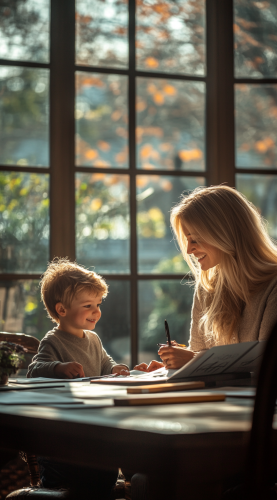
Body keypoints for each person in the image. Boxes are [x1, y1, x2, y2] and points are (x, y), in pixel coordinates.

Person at [136, 185, 277, 372]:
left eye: (194, 239)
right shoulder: (207, 288)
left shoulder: (273, 286)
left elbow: (269, 365)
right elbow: (198, 356)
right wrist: (172, 367)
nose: (188, 250)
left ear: (224, 234)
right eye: (187, 240)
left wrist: (193, 360)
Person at [27, 257, 129, 497]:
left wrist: (115, 369)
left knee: (103, 474)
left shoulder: (93, 339)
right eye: (88, 306)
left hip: (91, 430)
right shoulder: (53, 340)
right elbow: (34, 369)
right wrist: (58, 368)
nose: (97, 312)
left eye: (98, 304)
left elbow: (105, 363)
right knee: (72, 484)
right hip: (61, 439)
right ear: (62, 310)